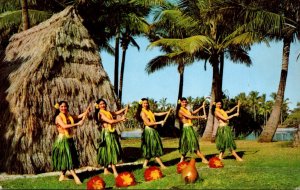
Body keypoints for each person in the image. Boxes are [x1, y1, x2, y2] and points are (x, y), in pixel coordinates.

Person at [52, 100, 90, 184]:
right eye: (62, 106)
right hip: (62, 140)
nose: (64, 108)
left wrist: (86, 112)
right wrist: (77, 124)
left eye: (65, 106)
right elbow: (64, 126)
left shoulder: (69, 116)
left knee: (68, 158)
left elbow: (78, 116)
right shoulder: (58, 117)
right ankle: (76, 177)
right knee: (68, 159)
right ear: (59, 108)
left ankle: (62, 177)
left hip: (69, 139)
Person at [94, 98, 127, 177]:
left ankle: (105, 170)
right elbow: (110, 121)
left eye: (104, 103)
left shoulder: (107, 112)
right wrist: (121, 119)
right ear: (98, 106)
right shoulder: (100, 113)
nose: (103, 105)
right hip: (107, 134)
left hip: (111, 132)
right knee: (111, 150)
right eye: (101, 104)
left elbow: (115, 113)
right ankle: (115, 172)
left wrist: (124, 109)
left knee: (107, 151)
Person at [135, 98, 170, 169]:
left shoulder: (149, 111)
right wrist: (159, 122)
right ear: (141, 104)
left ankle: (145, 165)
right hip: (149, 131)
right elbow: (148, 123)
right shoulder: (143, 113)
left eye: (147, 103)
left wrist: (166, 112)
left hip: (153, 131)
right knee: (154, 148)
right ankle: (162, 165)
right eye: (144, 103)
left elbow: (157, 114)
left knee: (150, 148)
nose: (146, 104)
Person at [177, 97, 209, 164]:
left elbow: (193, 113)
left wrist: (201, 107)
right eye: (183, 102)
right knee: (193, 144)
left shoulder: (186, 109)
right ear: (180, 103)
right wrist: (201, 117)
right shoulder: (180, 110)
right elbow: (190, 117)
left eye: (185, 102)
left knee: (185, 145)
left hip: (190, 128)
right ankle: (203, 158)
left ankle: (181, 161)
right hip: (186, 129)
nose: (185, 103)